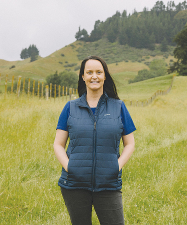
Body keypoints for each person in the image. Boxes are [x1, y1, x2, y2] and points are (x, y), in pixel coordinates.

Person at [53, 55, 136, 225]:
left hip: (108, 184)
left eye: (99, 72)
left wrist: (117, 166)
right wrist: (69, 167)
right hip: (74, 185)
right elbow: (58, 144)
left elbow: (130, 143)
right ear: (83, 77)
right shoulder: (70, 107)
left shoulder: (118, 106)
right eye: (89, 72)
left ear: (105, 76)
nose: (94, 76)